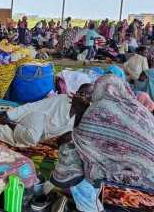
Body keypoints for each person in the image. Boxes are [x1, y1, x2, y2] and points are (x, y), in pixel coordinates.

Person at [51, 75, 154, 212]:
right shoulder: (137, 108)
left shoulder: (98, 112)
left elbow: (76, 141)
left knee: (73, 162)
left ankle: (90, 208)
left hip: (140, 183)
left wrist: (80, 111)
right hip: (148, 175)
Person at [0, 84, 93, 148]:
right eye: (83, 93)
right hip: (37, 117)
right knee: (32, 138)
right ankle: (8, 124)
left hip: (42, 135)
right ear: (77, 93)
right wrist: (9, 115)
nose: (85, 96)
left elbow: (63, 141)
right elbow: (34, 106)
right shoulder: (62, 99)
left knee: (28, 142)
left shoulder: (85, 116)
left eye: (89, 95)